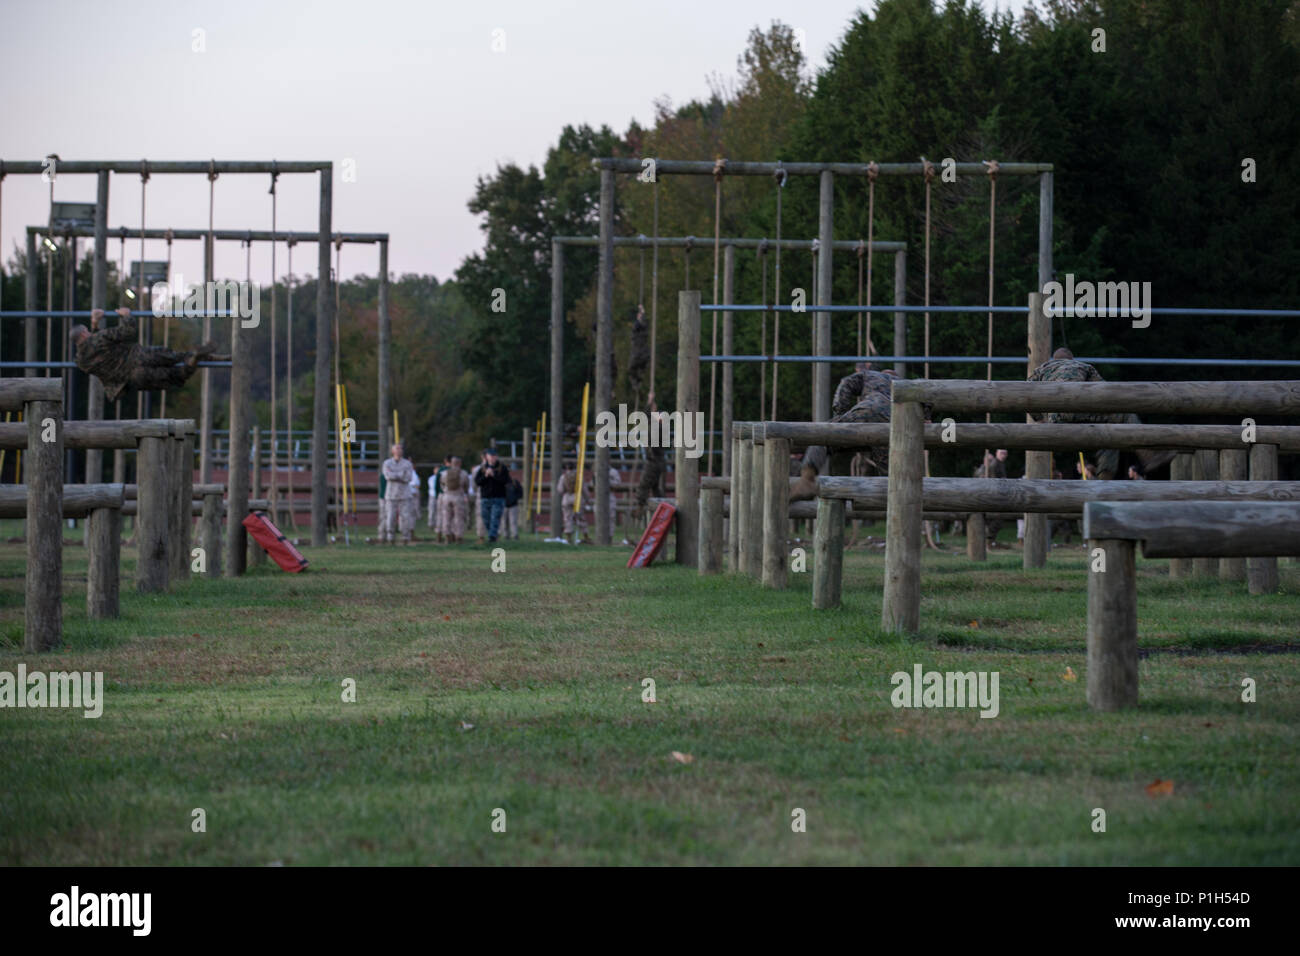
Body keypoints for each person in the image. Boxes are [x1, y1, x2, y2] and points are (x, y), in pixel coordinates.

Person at [1028, 347, 1174, 479]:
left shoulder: (1041, 369)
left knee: (1109, 428)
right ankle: (1147, 456)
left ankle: (1106, 474)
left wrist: (1040, 419)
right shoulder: (1083, 366)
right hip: (1079, 414)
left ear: (1054, 360)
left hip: (1055, 420)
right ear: (1072, 360)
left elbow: (1026, 392)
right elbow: (1104, 392)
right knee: (1122, 418)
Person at [74, 307, 224, 402]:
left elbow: (94, 348)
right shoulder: (100, 338)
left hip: (133, 377)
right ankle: (197, 355)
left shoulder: (81, 362)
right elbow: (128, 331)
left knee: (177, 375)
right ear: (82, 334)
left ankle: (196, 358)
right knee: (176, 356)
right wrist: (126, 316)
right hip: (141, 355)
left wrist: (94, 325)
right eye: (87, 331)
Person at [380, 443, 417, 545]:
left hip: (404, 494)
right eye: (397, 448)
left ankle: (405, 537)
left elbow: (408, 478)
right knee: (390, 516)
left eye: (400, 448)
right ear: (392, 451)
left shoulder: (407, 464)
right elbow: (387, 476)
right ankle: (390, 537)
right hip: (391, 494)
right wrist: (400, 474)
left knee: (405, 517)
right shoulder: (387, 463)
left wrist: (395, 475)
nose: (399, 450)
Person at [474, 448, 510, 543]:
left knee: (495, 517)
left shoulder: (502, 468)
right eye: (490, 456)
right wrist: (485, 476)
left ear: (496, 457)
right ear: (487, 457)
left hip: (498, 497)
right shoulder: (482, 468)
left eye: (494, 456)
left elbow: (505, 481)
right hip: (485, 497)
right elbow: (477, 482)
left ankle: (492, 537)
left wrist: (494, 475)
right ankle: (492, 533)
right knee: (486, 517)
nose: (492, 458)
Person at [439, 456, 469, 543]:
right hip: (458, 496)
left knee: (446, 517)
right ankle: (458, 536)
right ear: (460, 463)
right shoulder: (463, 473)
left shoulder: (444, 473)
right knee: (459, 517)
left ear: (451, 463)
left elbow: (442, 485)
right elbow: (466, 486)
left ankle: (447, 536)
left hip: (447, 496)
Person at [557, 461, 586, 544]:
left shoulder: (563, 477)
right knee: (581, 517)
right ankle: (585, 535)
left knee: (567, 518)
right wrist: (587, 499)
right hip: (578, 497)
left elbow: (560, 489)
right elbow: (584, 488)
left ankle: (568, 537)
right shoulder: (579, 476)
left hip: (567, 497)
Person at [503, 472, 524, 540]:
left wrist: (515, 498)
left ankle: (515, 535)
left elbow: (520, 493)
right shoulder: (501, 482)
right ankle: (506, 536)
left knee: (513, 521)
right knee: (504, 522)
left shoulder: (515, 482)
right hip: (504, 505)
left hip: (513, 505)